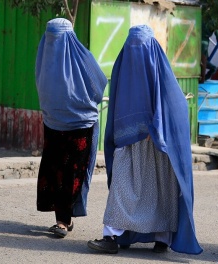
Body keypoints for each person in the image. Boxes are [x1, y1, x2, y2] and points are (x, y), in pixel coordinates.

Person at [87, 25, 203, 255]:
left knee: (161, 191)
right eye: (132, 46)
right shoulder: (124, 66)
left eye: (140, 46)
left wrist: (158, 126)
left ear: (152, 49)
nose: (135, 51)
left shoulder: (162, 74)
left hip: (158, 144)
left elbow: (175, 105)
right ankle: (111, 235)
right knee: (122, 187)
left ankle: (162, 238)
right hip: (128, 140)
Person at [35, 18, 107, 238]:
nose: (53, 42)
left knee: (72, 172)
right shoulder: (44, 58)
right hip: (54, 123)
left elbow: (98, 85)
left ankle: (64, 220)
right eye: (51, 37)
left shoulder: (82, 58)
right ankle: (63, 218)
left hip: (81, 125)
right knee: (56, 170)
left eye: (58, 37)